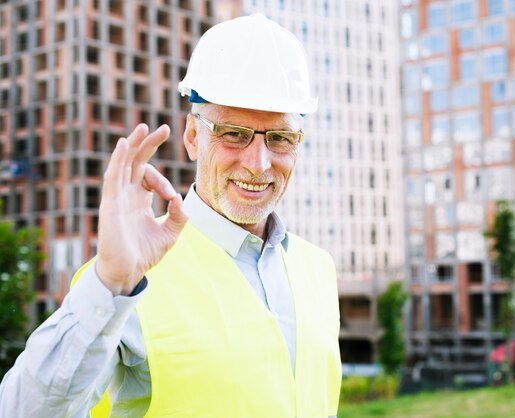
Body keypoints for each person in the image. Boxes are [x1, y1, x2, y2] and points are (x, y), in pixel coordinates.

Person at [0, 14, 341, 418]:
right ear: (193, 137)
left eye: (280, 138)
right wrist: (109, 283)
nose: (259, 163)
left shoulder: (318, 269)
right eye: (233, 133)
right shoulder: (125, 279)